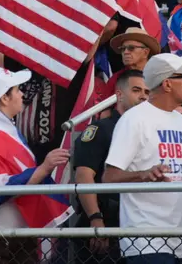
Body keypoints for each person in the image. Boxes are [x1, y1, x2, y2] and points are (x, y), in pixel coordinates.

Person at [103, 53, 182, 264]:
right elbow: (109, 176)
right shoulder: (134, 119)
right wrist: (143, 175)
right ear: (167, 84)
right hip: (143, 241)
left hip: (178, 241)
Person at [0, 67, 71, 264]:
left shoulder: (2, 128)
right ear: (4, 98)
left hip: (13, 236)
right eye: (17, 89)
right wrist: (44, 168)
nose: (22, 94)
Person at [73, 68, 151, 260]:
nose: (143, 97)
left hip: (141, 223)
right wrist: (95, 218)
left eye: (147, 92)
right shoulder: (101, 129)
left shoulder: (151, 130)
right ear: (119, 95)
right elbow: (84, 175)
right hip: (107, 220)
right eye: (136, 90)